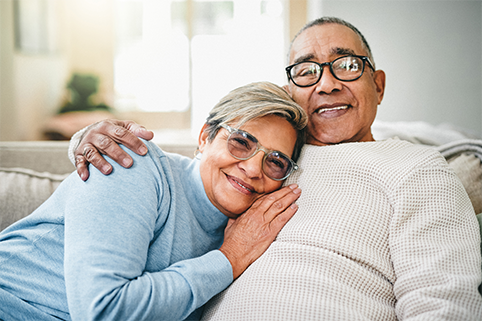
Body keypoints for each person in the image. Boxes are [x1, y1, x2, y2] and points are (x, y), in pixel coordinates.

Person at [67, 17, 482, 319]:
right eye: (306, 71)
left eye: (348, 64)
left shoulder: (416, 167)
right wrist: (89, 139)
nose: (326, 83)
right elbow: (191, 165)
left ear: (379, 85)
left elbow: (444, 301)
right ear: (290, 94)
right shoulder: (268, 165)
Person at [0, 82, 308, 320]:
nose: (254, 168)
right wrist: (229, 258)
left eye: (276, 161)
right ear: (204, 137)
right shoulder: (131, 162)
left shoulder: (251, 230)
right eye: (241, 142)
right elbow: (104, 311)